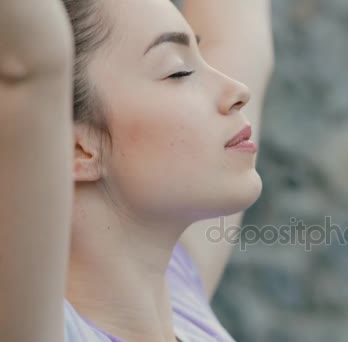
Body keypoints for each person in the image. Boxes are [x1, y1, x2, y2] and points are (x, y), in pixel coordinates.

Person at [0, 0, 274, 341]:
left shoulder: (182, 299)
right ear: (75, 147)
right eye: (179, 71)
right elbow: (30, 61)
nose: (238, 91)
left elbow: (237, 27)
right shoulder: (34, 329)